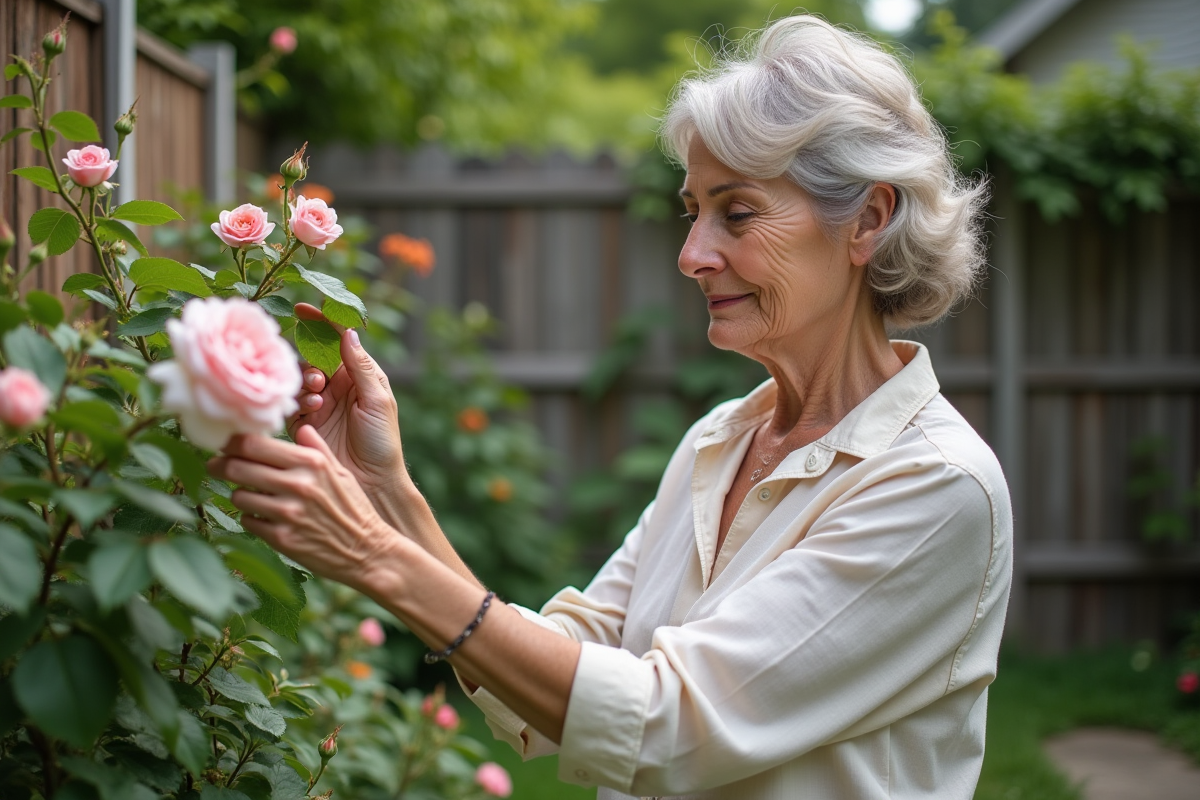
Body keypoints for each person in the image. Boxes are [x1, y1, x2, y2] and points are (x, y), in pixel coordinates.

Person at [209, 14, 1012, 799]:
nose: (692, 253)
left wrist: (375, 558)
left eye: (737, 212)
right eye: (693, 210)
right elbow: (575, 670)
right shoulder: (720, 441)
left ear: (866, 220)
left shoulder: (937, 487)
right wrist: (388, 503)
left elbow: (664, 729)